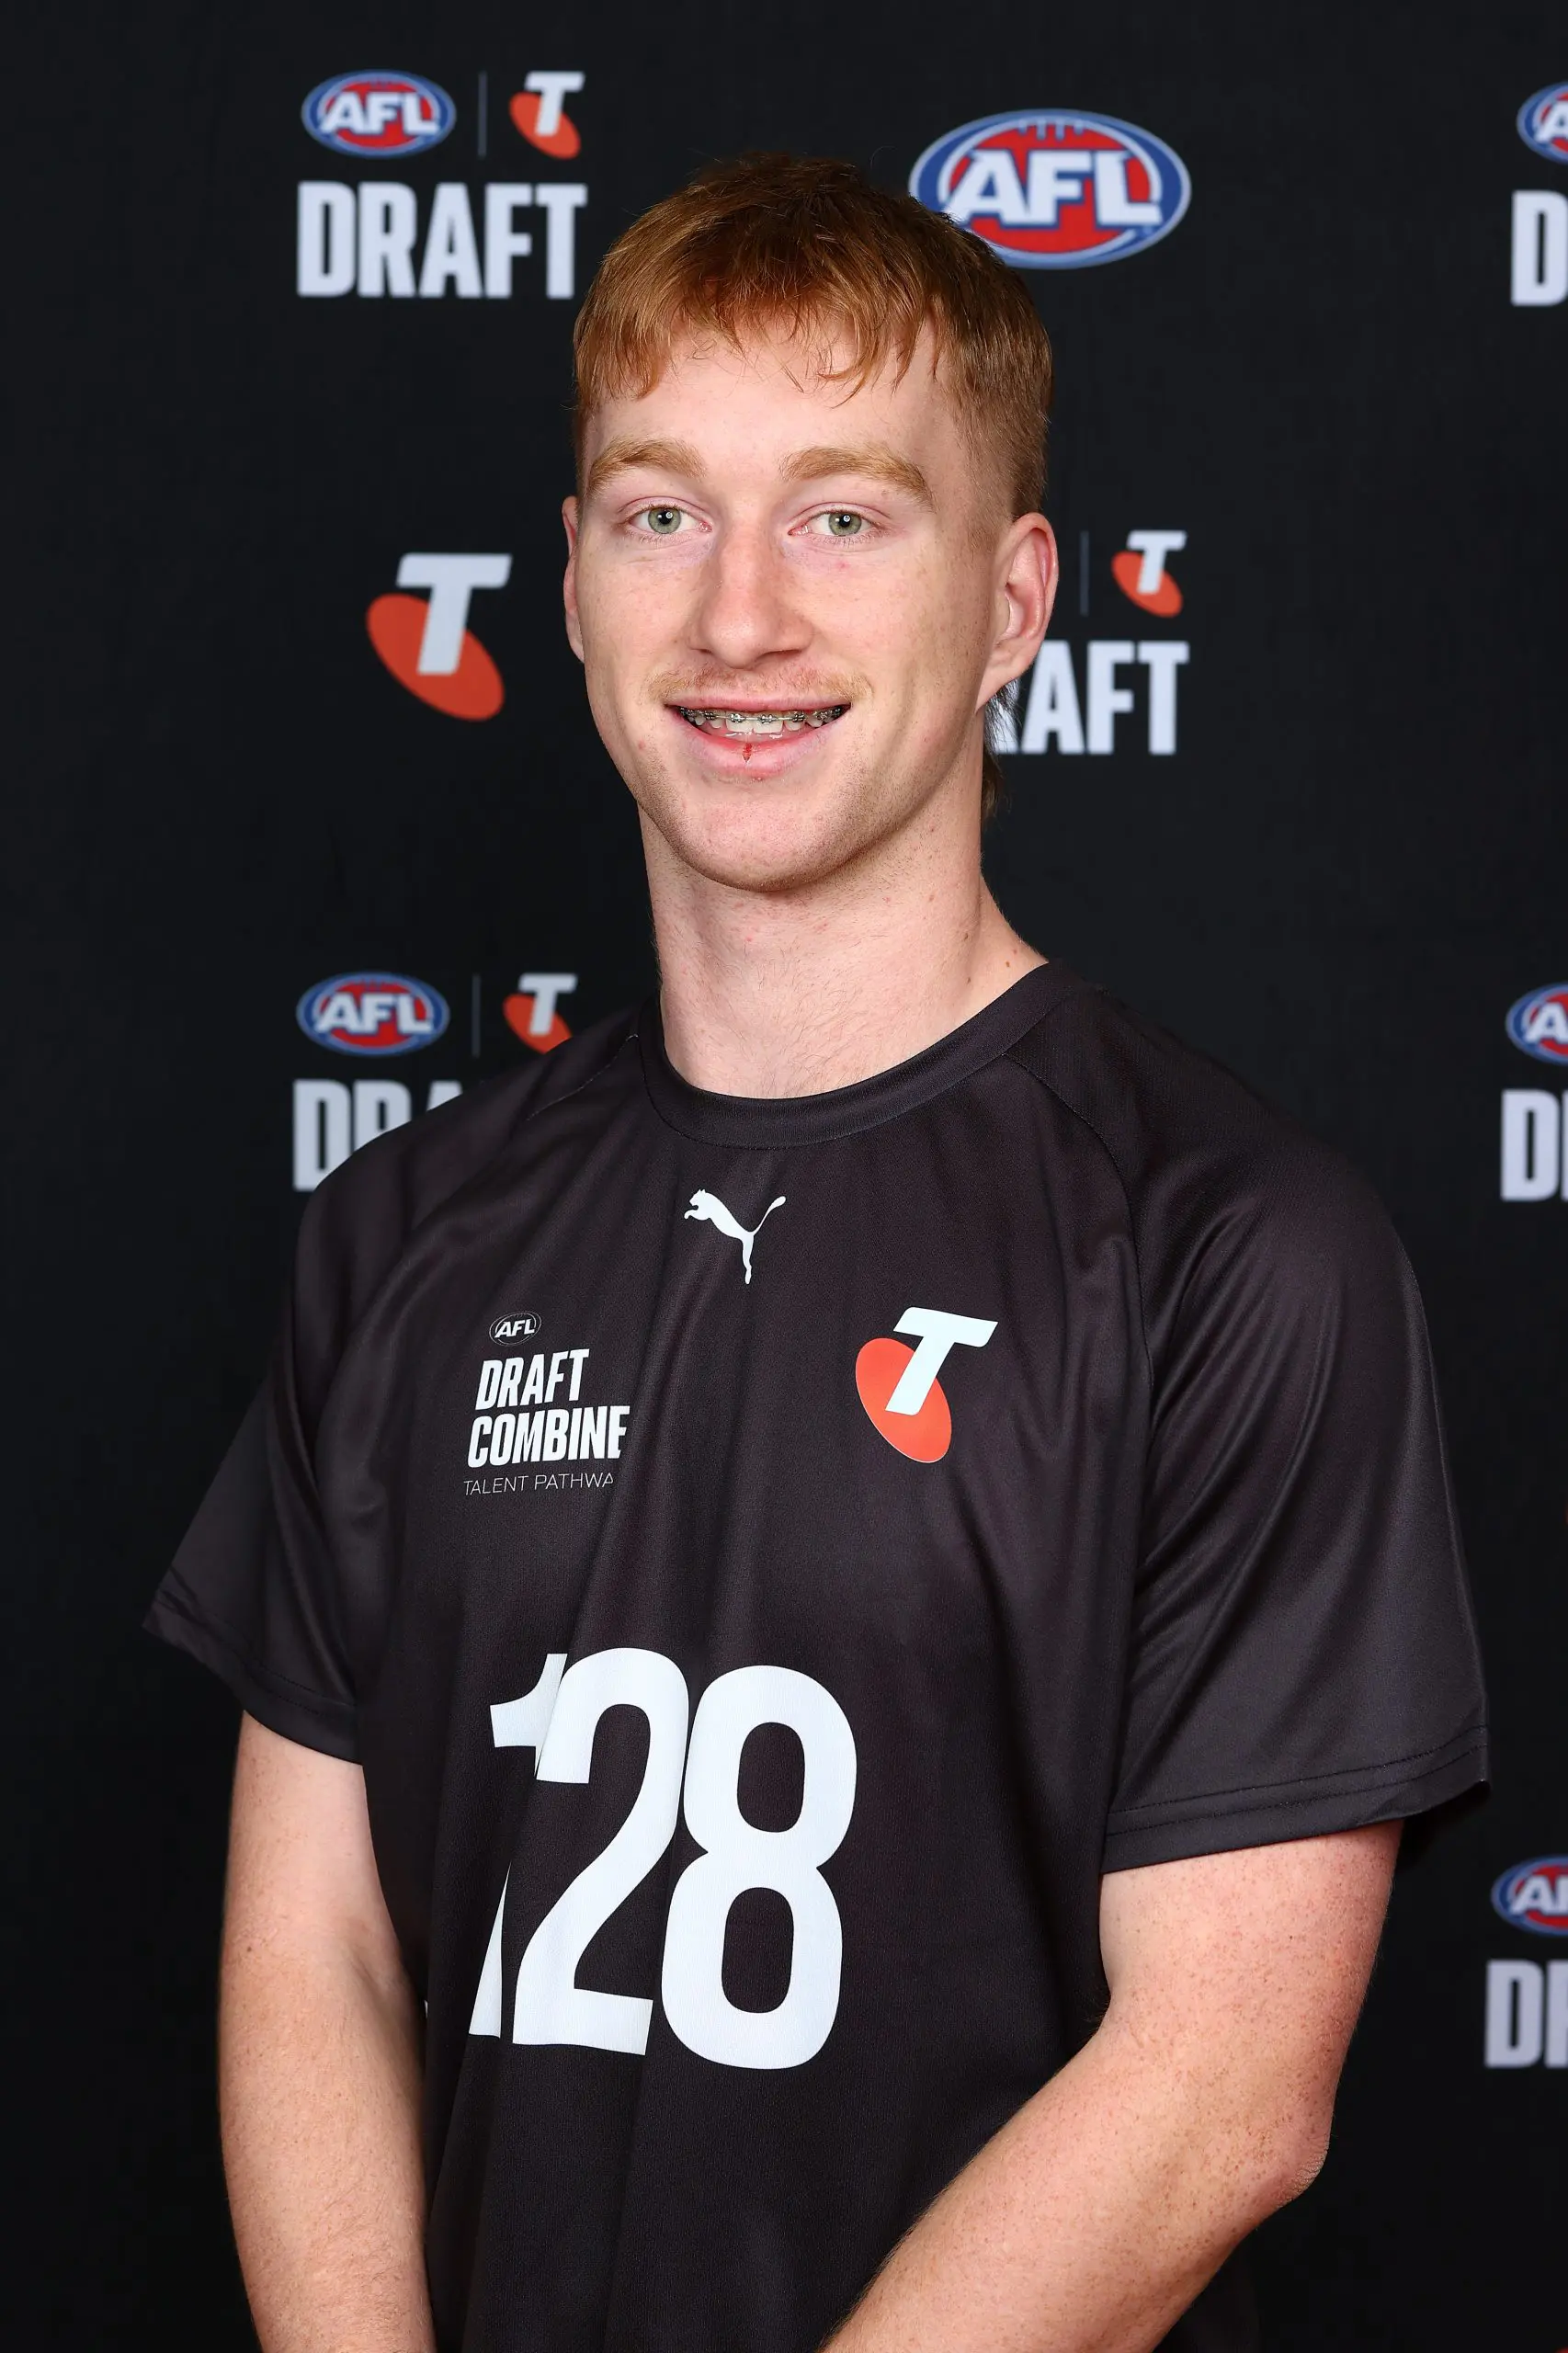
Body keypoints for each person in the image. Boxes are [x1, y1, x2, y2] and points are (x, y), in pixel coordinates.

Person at [148, 153, 1487, 2353]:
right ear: (568, 580)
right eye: (661, 511)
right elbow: (314, 1952)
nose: (739, 616)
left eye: (846, 516)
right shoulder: (401, 1231)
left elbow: (1223, 2088)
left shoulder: (1232, 1246)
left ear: (1016, 597)